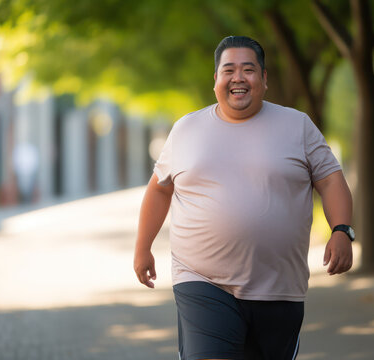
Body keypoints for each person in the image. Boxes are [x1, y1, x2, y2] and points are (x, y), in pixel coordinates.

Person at [134, 35, 354, 360]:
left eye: (248, 70)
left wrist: (341, 230)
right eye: (229, 70)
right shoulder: (187, 130)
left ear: (264, 79)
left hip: (280, 287)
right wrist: (142, 248)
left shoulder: (298, 126)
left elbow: (331, 180)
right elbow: (160, 187)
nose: (238, 78)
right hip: (201, 280)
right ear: (216, 80)